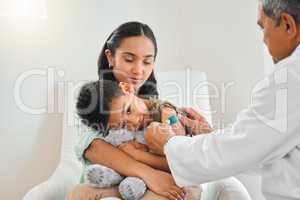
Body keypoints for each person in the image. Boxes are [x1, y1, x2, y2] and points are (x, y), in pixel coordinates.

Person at [143, 1, 300, 199]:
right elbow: (260, 147)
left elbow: (239, 151)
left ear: (287, 24)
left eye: (264, 28)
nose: (264, 39)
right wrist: (210, 134)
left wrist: (169, 144)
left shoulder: (291, 78)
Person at [75, 80, 202, 200]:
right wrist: (146, 173)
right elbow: (90, 147)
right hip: (129, 183)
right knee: (80, 193)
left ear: (127, 88)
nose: (134, 121)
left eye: (129, 110)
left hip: (173, 178)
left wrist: (139, 156)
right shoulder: (107, 127)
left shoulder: (167, 114)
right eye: (123, 125)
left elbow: (184, 162)